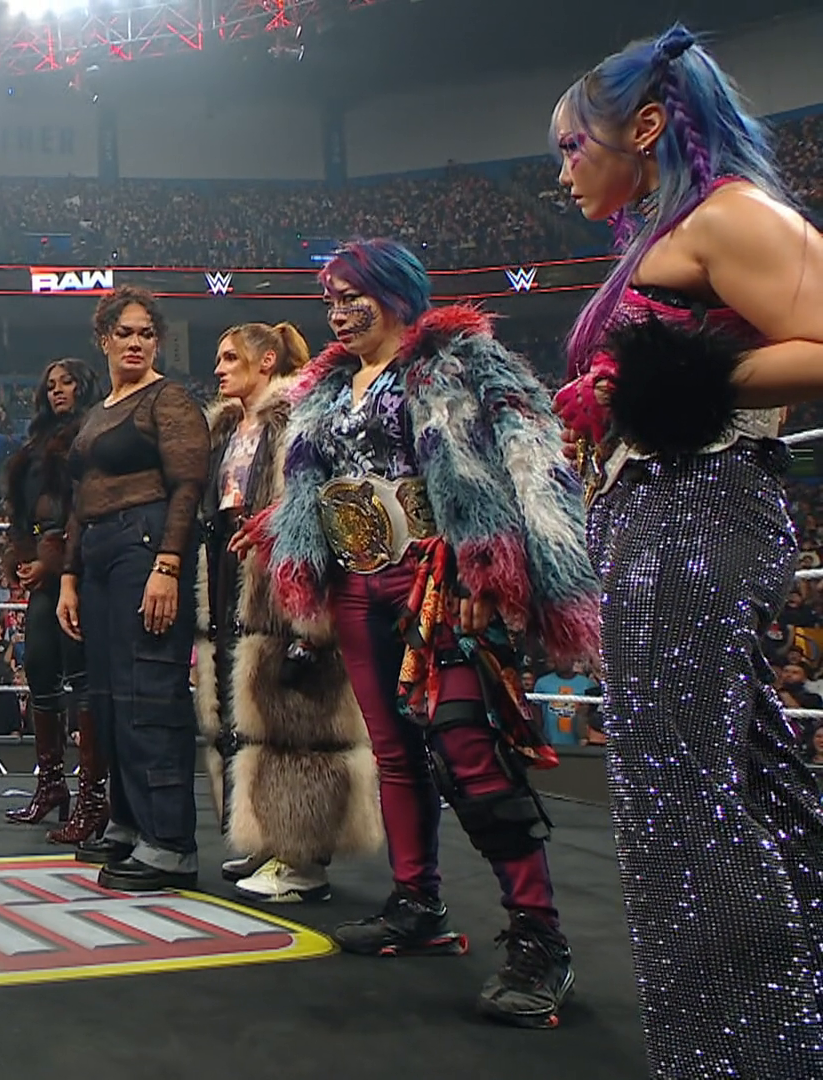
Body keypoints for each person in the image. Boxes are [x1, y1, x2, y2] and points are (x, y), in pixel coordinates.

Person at [550, 23, 823, 1075]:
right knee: (746, 783)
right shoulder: (675, 231)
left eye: (573, 146)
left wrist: (680, 381)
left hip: (692, 515)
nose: (563, 170)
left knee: (680, 809)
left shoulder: (728, 215)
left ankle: (740, 1056)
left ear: (648, 127)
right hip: (665, 516)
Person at [246, 238, 597, 1027]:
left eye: (352, 295)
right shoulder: (326, 385)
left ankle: (540, 937)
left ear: (395, 291)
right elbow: (323, 483)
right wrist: (282, 527)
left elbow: (530, 458)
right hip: (356, 583)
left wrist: (488, 563)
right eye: (330, 299)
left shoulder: (460, 360)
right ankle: (417, 903)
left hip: (440, 578)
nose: (338, 312)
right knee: (394, 749)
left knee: (469, 746)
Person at [196, 322, 381, 905]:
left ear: (266, 360)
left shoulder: (299, 418)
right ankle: (269, 839)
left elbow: (317, 502)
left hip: (285, 582)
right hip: (232, 576)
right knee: (251, 719)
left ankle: (302, 858)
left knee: (295, 717)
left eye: (230, 358)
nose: (219, 369)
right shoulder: (227, 429)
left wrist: (296, 578)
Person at [55, 286, 211, 891]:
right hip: (98, 551)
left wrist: (168, 564)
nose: (137, 343)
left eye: (147, 333)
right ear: (104, 339)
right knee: (109, 695)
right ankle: (129, 823)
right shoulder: (99, 412)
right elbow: (81, 498)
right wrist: (69, 577)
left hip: (145, 541)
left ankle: (169, 843)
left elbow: (188, 485)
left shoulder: (168, 399)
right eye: (125, 333)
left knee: (149, 689)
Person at [0, 357, 104, 841]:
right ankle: (52, 786)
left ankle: (93, 799)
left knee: (81, 675)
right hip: (41, 562)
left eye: (67, 383)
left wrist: (55, 560)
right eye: (51, 384)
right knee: (40, 667)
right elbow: (23, 511)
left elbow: (84, 506)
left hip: (78, 561)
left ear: (83, 387)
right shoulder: (36, 443)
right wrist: (25, 558)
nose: (58, 390)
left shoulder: (93, 432)